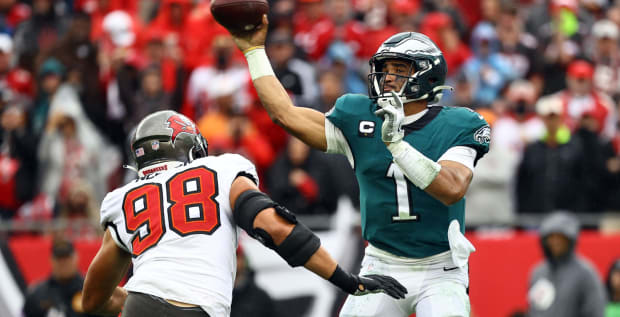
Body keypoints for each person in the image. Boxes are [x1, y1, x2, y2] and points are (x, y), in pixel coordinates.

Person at [228, 16, 490, 317]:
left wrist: (397, 146)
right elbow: (285, 114)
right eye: (385, 69)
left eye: (400, 70)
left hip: (441, 268)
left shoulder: (459, 124)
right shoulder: (359, 117)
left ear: (428, 77)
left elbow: (452, 189)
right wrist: (254, 52)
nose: (388, 77)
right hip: (382, 262)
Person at [81, 110, 406, 317]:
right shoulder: (221, 168)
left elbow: (94, 298)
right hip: (197, 309)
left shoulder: (122, 199)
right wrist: (346, 280)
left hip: (141, 303)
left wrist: (143, 301)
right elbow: (275, 228)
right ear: (190, 147)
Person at [527, 211, 606, 317]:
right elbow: (534, 309)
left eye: (560, 237)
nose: (555, 241)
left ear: (570, 239)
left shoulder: (585, 273)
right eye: (551, 237)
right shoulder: (538, 272)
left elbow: (595, 310)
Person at [23, 240, 95, 317]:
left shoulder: (91, 290)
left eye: (67, 258)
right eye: (59, 259)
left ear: (76, 257)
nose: (63, 263)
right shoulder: (36, 294)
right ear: (51, 260)